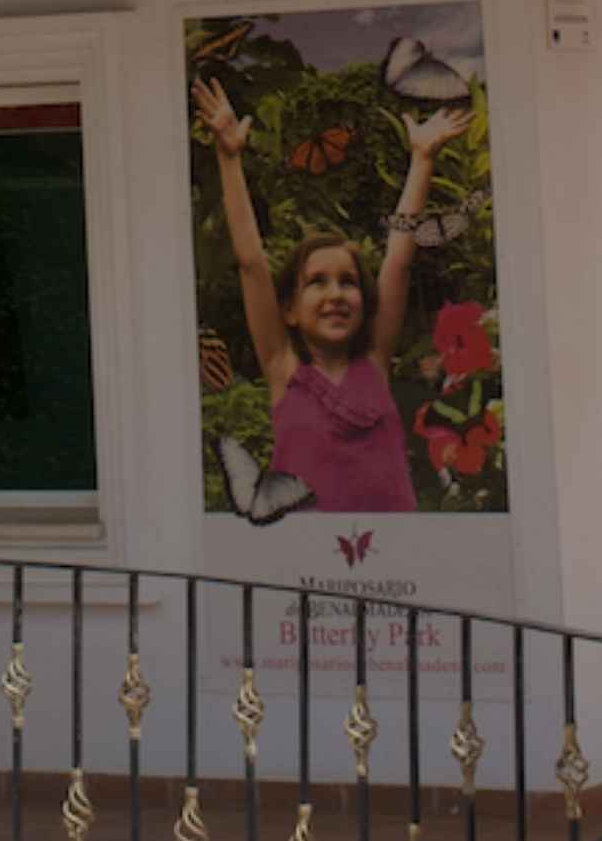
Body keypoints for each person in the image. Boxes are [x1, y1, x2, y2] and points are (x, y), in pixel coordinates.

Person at [197, 64, 472, 515]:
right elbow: (250, 262)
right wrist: (229, 158)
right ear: (288, 310)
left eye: (348, 282)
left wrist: (422, 159)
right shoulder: (282, 367)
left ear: (365, 305)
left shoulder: (374, 362)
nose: (335, 293)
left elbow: (399, 260)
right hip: (307, 567)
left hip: (390, 568)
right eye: (317, 282)